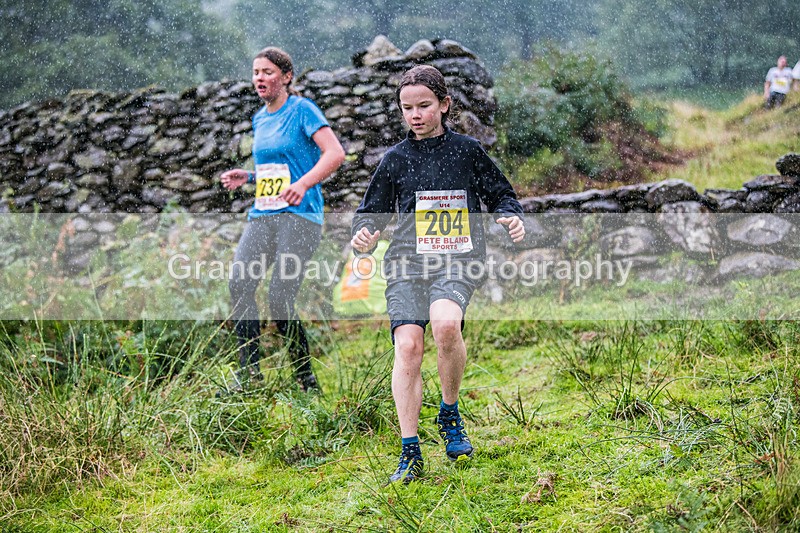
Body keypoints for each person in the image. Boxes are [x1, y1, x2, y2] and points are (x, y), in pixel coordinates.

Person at [350, 65, 525, 483]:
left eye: (424, 106)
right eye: (407, 107)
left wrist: (509, 216)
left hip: (457, 258)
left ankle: (449, 413)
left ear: (444, 105)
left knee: (446, 325)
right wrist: (364, 234)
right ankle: (410, 451)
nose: (415, 115)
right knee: (409, 346)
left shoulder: (467, 151)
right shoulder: (394, 159)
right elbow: (370, 213)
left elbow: (501, 193)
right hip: (407, 263)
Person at [220, 47, 345, 394]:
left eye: (268, 72)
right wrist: (248, 177)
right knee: (239, 284)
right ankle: (249, 375)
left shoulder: (302, 110)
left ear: (287, 77)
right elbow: (277, 170)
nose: (259, 78)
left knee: (279, 296)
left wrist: (303, 184)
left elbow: (335, 153)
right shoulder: (259, 118)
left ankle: (305, 380)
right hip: (263, 214)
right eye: (256, 72)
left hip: (300, 216)